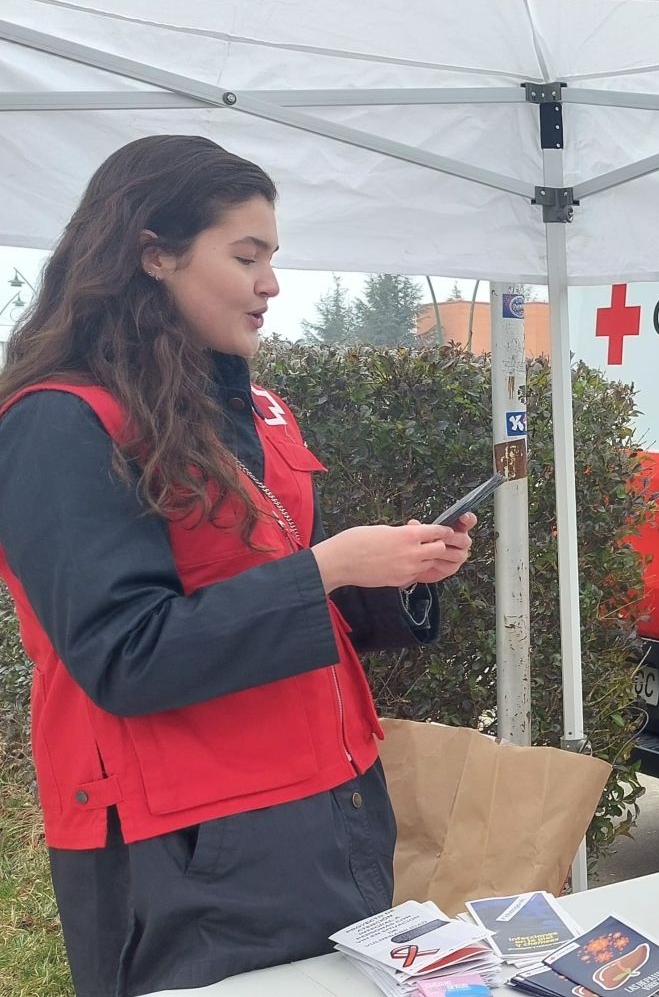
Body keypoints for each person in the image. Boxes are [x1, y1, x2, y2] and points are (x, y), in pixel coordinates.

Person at [0, 135, 477, 996]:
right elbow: (125, 654)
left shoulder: (252, 408)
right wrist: (326, 570)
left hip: (330, 803)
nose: (271, 284)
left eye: (274, 258)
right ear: (153, 254)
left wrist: (390, 575)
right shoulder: (63, 423)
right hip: (189, 843)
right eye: (246, 255)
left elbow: (283, 607)